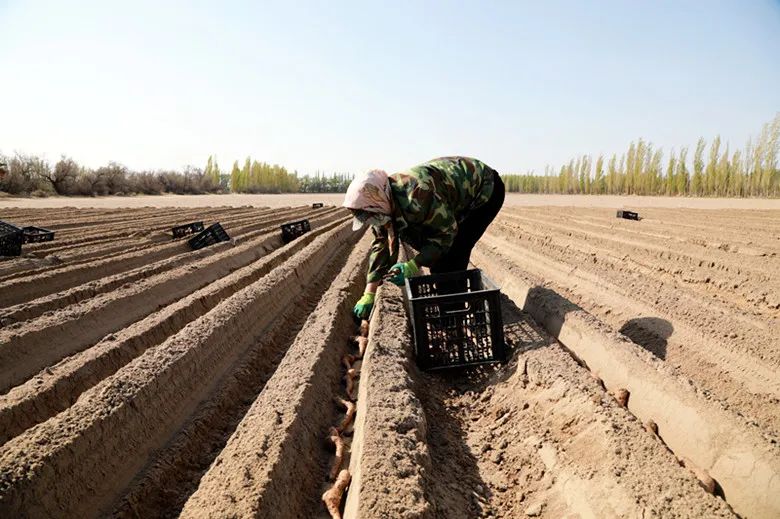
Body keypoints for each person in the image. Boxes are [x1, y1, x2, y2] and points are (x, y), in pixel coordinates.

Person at [343, 156, 505, 319]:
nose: (372, 221)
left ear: (379, 199)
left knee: (454, 251)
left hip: (485, 189)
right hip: (450, 196)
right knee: (436, 256)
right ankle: (448, 308)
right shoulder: (380, 205)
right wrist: (369, 293)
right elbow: (380, 245)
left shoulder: (417, 195)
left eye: (371, 216)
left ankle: (454, 314)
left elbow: (445, 235)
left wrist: (414, 265)